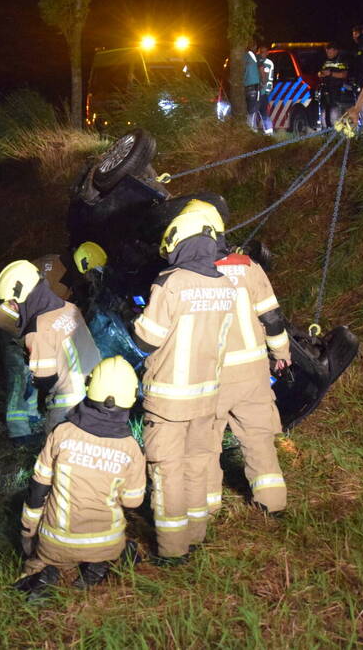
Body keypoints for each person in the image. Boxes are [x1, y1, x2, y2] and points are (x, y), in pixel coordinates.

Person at [132, 210, 236, 565]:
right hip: (207, 395)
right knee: (196, 464)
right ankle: (196, 534)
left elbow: (148, 338)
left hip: (169, 400)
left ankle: (173, 550)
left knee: (167, 470)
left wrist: (138, 320)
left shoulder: (171, 282)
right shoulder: (225, 285)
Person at [14, 356, 146, 599]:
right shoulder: (130, 449)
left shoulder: (61, 434)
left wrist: (28, 532)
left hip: (55, 543)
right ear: (131, 397)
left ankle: (45, 574)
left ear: (90, 387)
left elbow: (37, 490)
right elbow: (133, 502)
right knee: (116, 547)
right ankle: (99, 564)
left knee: (35, 568)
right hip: (107, 543)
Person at [208, 247, 292, 518]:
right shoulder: (248, 267)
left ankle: (205, 508)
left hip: (211, 376)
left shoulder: (188, 274)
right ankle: (272, 503)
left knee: (204, 444)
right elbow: (272, 318)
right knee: (259, 439)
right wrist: (281, 354)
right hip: (252, 374)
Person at [0, 259, 102, 436]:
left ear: (21, 296)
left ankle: (21, 432)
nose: (13, 308)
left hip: (69, 406)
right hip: (95, 393)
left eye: (12, 303)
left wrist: (32, 363)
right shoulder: (70, 307)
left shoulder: (38, 330)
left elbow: (45, 380)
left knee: (55, 451)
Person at [0, 254, 75, 446]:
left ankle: (31, 415)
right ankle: (18, 432)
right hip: (13, 328)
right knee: (19, 376)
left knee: (33, 369)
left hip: (27, 325)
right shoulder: (59, 274)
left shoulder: (58, 268)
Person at [317, 42, 350, 127]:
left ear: (336, 51)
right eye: (327, 52)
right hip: (325, 90)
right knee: (324, 114)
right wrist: (320, 74)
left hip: (336, 90)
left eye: (330, 52)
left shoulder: (342, 60)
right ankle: (326, 133)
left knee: (334, 114)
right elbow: (321, 71)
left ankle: (335, 134)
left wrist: (330, 74)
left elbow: (344, 74)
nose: (328, 54)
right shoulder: (325, 60)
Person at [256, 44, 275, 135]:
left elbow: (269, 79)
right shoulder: (255, 60)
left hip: (263, 92)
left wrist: (267, 91)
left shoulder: (269, 63)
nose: (262, 54)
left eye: (264, 52)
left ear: (267, 53)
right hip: (255, 91)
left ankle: (269, 132)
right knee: (255, 111)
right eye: (261, 52)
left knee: (264, 112)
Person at [243, 44, 262, 130]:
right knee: (253, 109)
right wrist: (263, 83)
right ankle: (252, 129)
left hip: (246, 86)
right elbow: (261, 70)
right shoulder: (253, 56)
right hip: (254, 86)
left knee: (250, 108)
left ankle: (250, 127)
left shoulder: (243, 57)